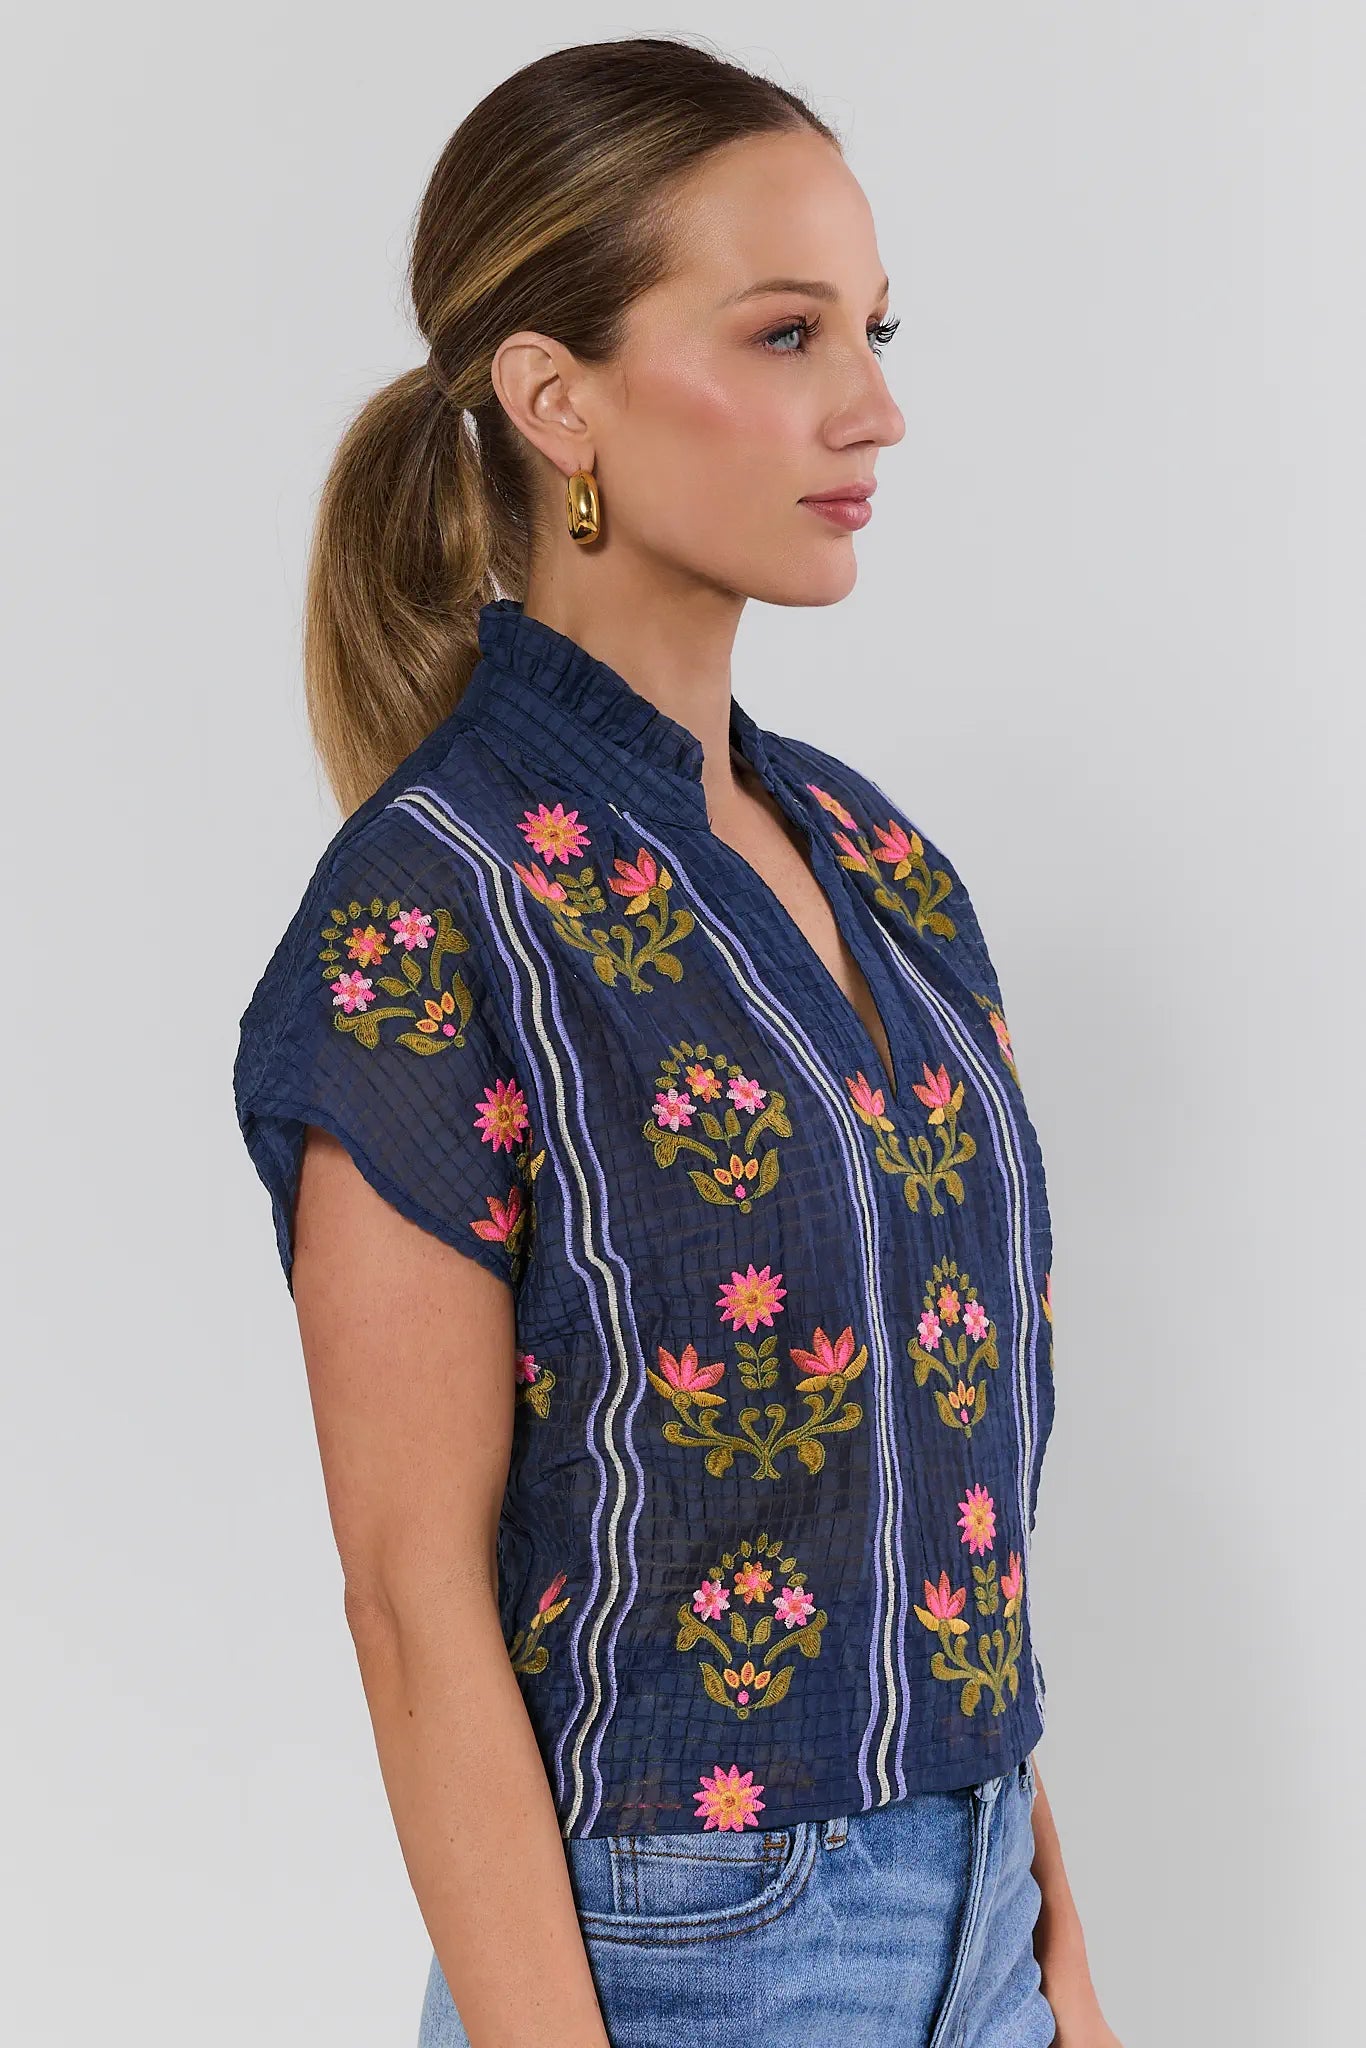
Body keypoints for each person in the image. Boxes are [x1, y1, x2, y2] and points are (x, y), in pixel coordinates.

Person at [234, 33, 1121, 2048]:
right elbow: (409, 1602)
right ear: (557, 397)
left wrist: (1058, 1956)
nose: (874, 406)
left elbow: (938, 1490)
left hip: (980, 1905)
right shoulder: (430, 907)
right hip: (682, 1956)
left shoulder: (881, 865)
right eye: (788, 331)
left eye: (872, 328)